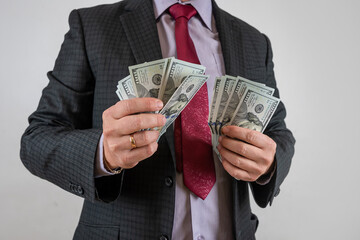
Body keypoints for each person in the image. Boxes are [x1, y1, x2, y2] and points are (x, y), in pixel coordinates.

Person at [20, 0, 295, 239]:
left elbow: (278, 132)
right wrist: (102, 152)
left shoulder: (254, 42)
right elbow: (37, 139)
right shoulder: (91, 26)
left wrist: (269, 163)